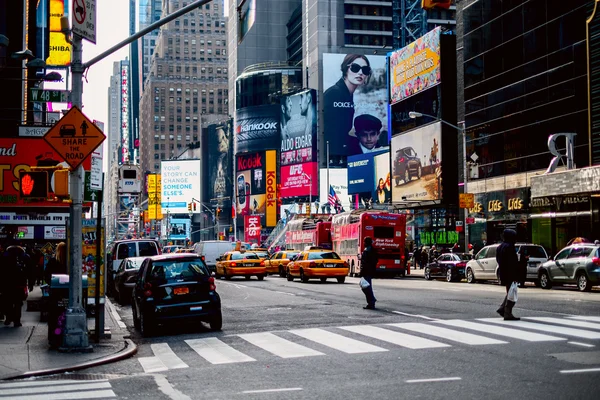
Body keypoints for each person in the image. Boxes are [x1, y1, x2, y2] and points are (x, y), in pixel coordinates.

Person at [323, 54, 372, 156]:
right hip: (332, 153)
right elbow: (329, 131)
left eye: (365, 70)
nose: (360, 73)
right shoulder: (335, 93)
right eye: (355, 68)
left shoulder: (347, 94)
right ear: (346, 69)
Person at [2, 244, 30, 327]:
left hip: (6, 284)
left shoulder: (4, 256)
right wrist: (30, 282)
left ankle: (8, 318)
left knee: (7, 301)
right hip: (20, 284)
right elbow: (30, 270)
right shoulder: (24, 256)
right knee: (18, 303)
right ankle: (17, 320)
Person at [496, 229, 520, 320]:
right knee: (512, 292)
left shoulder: (500, 247)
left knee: (509, 291)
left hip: (503, 272)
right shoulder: (510, 247)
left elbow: (498, 260)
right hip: (510, 272)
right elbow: (512, 262)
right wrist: (516, 274)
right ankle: (507, 312)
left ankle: (503, 308)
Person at [359, 237, 378, 309]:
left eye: (364, 242)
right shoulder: (372, 250)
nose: (363, 243)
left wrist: (362, 271)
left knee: (366, 287)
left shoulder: (367, 250)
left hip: (367, 271)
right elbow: (376, 260)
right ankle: (371, 301)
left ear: (366, 242)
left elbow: (365, 263)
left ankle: (371, 302)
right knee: (366, 286)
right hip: (370, 270)